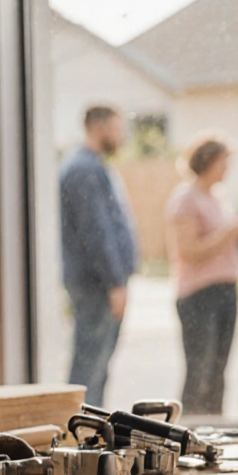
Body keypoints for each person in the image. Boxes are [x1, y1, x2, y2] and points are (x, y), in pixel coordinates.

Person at [165, 133, 238, 417]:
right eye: (223, 162)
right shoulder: (185, 199)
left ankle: (215, 430)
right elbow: (188, 251)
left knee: (218, 370)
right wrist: (229, 232)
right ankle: (187, 432)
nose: (227, 168)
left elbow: (228, 248)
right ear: (208, 162)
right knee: (199, 371)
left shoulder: (218, 198)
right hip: (199, 294)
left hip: (226, 290)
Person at [60, 105, 138, 408]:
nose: (121, 136)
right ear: (98, 126)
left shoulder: (93, 166)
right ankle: (77, 432)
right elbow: (96, 232)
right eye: (117, 128)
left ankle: (91, 430)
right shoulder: (84, 169)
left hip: (99, 283)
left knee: (98, 365)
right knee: (89, 367)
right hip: (96, 285)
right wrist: (114, 283)